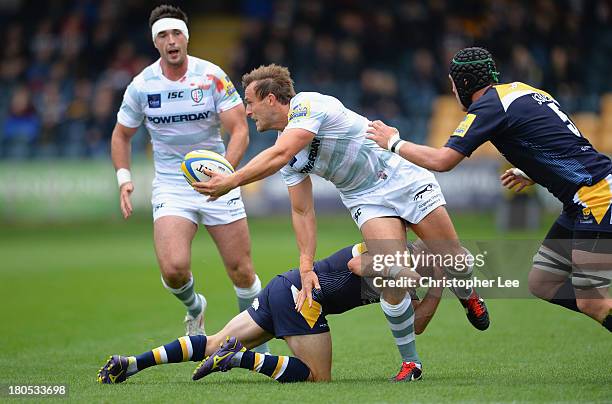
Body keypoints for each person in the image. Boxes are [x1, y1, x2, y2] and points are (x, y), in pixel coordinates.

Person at [192, 64, 490, 375]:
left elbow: (281, 153)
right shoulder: (287, 155)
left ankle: (469, 296)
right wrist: (306, 266)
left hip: (403, 177)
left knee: (455, 259)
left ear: (270, 99)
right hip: (365, 198)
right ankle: (411, 363)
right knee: (393, 275)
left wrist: (231, 180)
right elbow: (302, 211)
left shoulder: (308, 105)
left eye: (250, 102)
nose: (248, 111)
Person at [366, 46, 612, 331]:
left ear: (464, 83)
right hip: (582, 198)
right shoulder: (523, 91)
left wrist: (393, 142)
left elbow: (443, 160)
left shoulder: (490, 106)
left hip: (597, 198)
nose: (453, 91)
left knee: (591, 301)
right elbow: (563, 143)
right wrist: (532, 171)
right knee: (543, 282)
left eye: (453, 84)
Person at [110, 5, 269, 351]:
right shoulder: (141, 86)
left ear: (186, 36)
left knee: (241, 271)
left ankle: (257, 342)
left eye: (176, 33)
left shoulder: (211, 76)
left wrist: (225, 172)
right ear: (156, 43)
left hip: (218, 179)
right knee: (174, 269)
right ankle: (195, 307)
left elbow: (240, 127)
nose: (171, 41)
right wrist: (124, 178)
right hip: (172, 185)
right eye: (163, 35)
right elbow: (121, 135)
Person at [98, 241, 447, 384]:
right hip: (303, 297)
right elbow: (357, 264)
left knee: (211, 343)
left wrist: (437, 287)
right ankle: (242, 360)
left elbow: (414, 324)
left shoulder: (406, 283)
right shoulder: (392, 253)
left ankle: (131, 364)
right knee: (317, 377)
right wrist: (416, 272)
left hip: (284, 288)